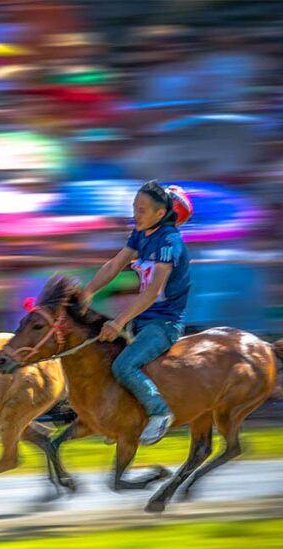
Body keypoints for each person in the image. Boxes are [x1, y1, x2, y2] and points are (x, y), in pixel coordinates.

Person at [81, 180, 193, 445]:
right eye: (134, 207)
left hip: (164, 323)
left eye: (142, 209)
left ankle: (159, 412)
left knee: (124, 366)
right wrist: (88, 292)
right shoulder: (140, 233)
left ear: (161, 213)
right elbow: (115, 264)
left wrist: (119, 322)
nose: (135, 214)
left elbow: (153, 292)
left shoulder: (168, 242)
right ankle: (123, 416)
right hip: (141, 318)